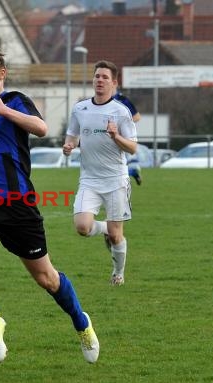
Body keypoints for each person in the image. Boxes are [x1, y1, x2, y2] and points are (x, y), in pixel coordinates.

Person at [0, 47, 99, 364]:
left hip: (17, 206)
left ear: (0, 74)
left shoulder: (16, 100)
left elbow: (42, 129)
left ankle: (81, 322)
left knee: (47, 279)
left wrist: (4, 111)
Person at [63, 60, 138, 286]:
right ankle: (104, 227)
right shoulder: (80, 108)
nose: (100, 80)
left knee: (117, 236)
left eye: (105, 77)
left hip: (116, 180)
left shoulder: (121, 112)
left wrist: (116, 137)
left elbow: (133, 148)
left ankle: (118, 273)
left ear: (114, 83)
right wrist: (69, 146)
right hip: (89, 179)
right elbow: (72, 136)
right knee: (82, 227)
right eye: (97, 76)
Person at [114, 89, 142, 185]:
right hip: (108, 137)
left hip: (121, 138)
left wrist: (123, 125)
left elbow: (137, 117)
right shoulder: (100, 99)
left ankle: (132, 172)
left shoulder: (122, 100)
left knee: (119, 166)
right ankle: (133, 172)